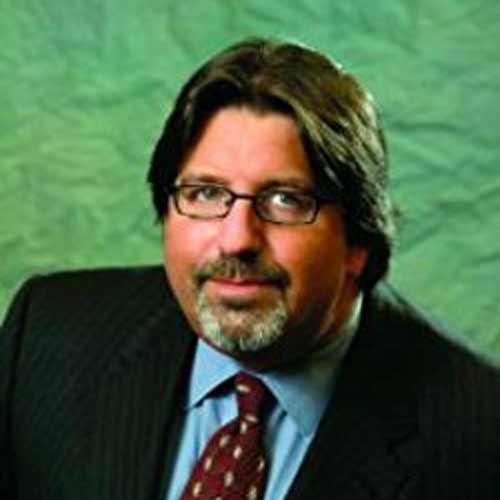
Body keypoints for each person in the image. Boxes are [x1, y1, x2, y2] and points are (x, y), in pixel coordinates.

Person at [1, 38, 499, 500]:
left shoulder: (477, 437)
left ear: (358, 241)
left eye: (285, 200)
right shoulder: (47, 337)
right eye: (205, 193)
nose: (237, 239)